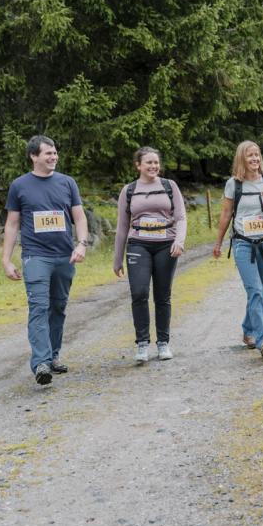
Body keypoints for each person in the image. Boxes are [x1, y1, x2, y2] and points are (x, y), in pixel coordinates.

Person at [3, 135, 89, 385]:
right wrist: (6, 260)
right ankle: (40, 362)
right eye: (48, 153)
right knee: (39, 307)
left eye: (54, 153)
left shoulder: (67, 183)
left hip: (65, 256)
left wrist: (81, 244)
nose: (53, 157)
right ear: (34, 156)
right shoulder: (20, 185)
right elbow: (12, 224)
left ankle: (52, 356)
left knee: (58, 307)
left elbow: (80, 218)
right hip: (35, 256)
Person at [212, 140, 263, 358]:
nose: (254, 159)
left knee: (259, 291)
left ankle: (247, 329)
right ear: (241, 159)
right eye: (249, 156)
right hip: (243, 244)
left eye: (257, 155)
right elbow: (226, 215)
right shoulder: (233, 185)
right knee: (255, 291)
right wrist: (218, 243)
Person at [113, 147, 187, 364]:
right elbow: (122, 227)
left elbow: (181, 217)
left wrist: (179, 241)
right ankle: (142, 344)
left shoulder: (169, 186)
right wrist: (117, 258)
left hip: (166, 245)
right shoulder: (129, 190)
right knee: (139, 292)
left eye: (156, 162)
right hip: (138, 245)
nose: (154, 166)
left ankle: (163, 342)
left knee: (162, 295)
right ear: (138, 165)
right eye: (149, 163)